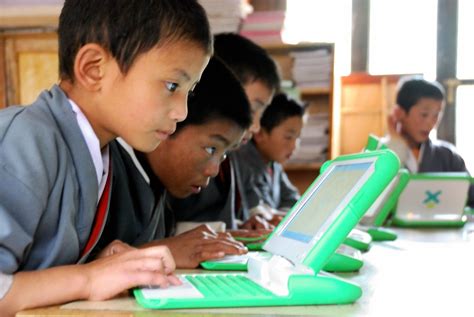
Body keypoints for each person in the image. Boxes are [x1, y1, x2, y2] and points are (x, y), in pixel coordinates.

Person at [0, 0, 212, 314]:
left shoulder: (102, 151)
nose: (182, 112)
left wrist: (105, 261)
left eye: (189, 91)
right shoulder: (22, 140)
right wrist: (87, 278)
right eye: (172, 86)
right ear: (93, 69)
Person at [95, 57, 252, 269]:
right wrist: (163, 251)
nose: (214, 170)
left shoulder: (156, 181)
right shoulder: (105, 170)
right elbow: (75, 268)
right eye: (211, 149)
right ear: (169, 125)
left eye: (223, 155)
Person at [168, 33, 281, 233]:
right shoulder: (185, 150)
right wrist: (223, 231)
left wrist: (241, 226)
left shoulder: (230, 157)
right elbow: (169, 228)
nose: (255, 126)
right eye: (252, 108)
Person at [382, 77, 474, 206]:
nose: (431, 123)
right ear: (399, 113)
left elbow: (470, 196)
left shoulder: (447, 155)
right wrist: (395, 145)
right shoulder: (379, 153)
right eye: (424, 114)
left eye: (436, 115)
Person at [236, 93, 305, 226]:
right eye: (288, 137)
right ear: (260, 133)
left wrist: (279, 213)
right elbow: (260, 211)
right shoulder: (243, 161)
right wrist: (277, 214)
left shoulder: (274, 165)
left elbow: (293, 200)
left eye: (298, 137)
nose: (294, 145)